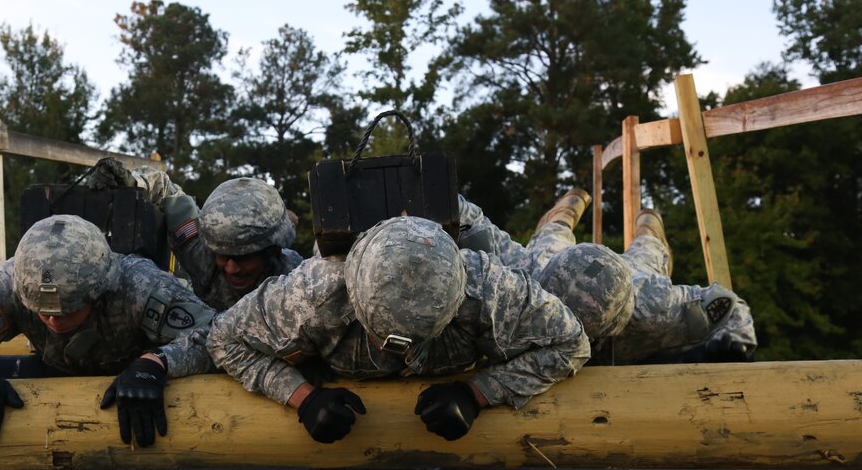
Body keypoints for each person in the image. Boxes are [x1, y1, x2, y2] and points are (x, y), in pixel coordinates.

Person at [206, 216, 590, 443]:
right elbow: (223, 338)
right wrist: (301, 396)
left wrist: (480, 392)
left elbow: (571, 344)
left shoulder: (490, 289)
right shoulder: (312, 293)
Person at [0, 214, 216, 453]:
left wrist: (156, 363)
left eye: (67, 311)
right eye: (42, 312)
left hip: (135, 384)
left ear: (100, 292)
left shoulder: (141, 286)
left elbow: (217, 335)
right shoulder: (10, 285)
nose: (53, 322)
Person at [487, 189, 758, 364]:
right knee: (552, 236)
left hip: (633, 285)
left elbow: (728, 305)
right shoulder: (536, 277)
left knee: (648, 250)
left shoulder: (652, 303)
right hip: (562, 267)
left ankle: (649, 223)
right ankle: (565, 211)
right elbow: (485, 233)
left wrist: (733, 345)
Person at [131, 169, 304, 310]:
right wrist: (130, 181)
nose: (231, 268)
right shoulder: (201, 256)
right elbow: (165, 189)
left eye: (242, 257)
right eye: (222, 255)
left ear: (272, 250)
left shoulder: (294, 283)